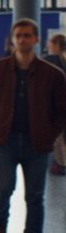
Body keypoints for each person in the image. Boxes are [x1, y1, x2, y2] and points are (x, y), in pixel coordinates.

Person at [0, 18, 66, 233]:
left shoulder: (52, 74)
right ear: (13, 40)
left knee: (35, 198)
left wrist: (50, 134)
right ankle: (1, 221)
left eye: (27, 35)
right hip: (4, 141)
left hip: (37, 145)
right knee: (3, 188)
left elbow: (62, 109)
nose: (23, 40)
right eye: (19, 36)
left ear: (36, 39)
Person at [46, 33, 66, 175]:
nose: (48, 45)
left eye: (50, 42)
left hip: (54, 103)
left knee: (57, 133)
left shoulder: (50, 60)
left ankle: (60, 163)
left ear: (56, 45)